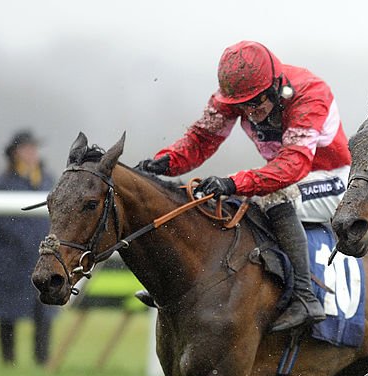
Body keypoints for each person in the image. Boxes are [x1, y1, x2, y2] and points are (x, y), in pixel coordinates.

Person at [136, 40, 351, 332]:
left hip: (334, 181)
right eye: (241, 105)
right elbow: (201, 139)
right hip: (285, 178)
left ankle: (306, 297)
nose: (250, 111)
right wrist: (165, 162)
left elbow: (293, 165)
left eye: (256, 101)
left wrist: (234, 182)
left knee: (269, 195)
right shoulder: (233, 96)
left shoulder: (310, 94)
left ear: (276, 85)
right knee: (217, 202)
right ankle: (179, 281)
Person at [0, 130, 56, 365]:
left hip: (42, 257)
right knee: (8, 313)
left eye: (34, 148)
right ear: (16, 153)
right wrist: (25, 238)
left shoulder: (47, 178)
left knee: (44, 311)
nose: (31, 153)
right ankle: (8, 359)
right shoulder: (3, 182)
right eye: (27, 148)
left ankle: (42, 360)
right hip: (12, 257)